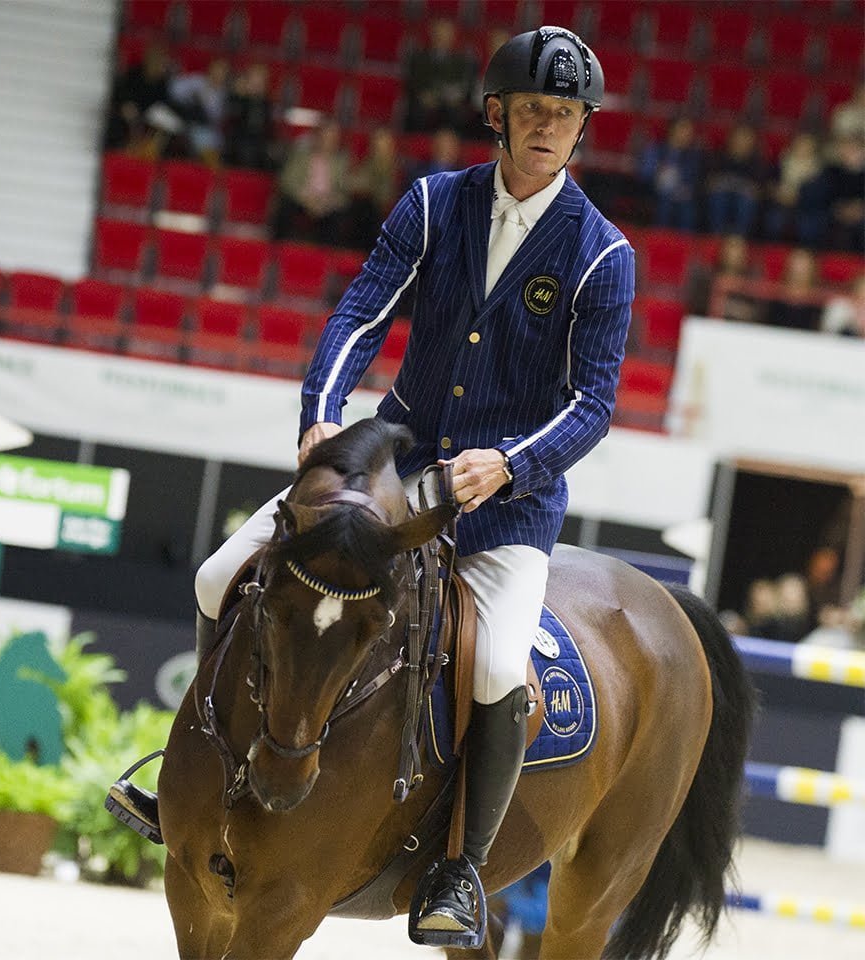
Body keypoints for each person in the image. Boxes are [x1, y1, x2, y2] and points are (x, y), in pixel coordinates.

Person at [108, 25, 633, 940]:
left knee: (499, 665)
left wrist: (512, 463)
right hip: (395, 465)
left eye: (565, 113)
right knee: (217, 573)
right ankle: (192, 774)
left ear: (581, 126)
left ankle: (460, 869)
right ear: (498, 114)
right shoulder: (435, 203)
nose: (549, 126)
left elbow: (593, 404)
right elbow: (363, 309)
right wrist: (323, 409)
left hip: (505, 507)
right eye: (534, 109)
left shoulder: (601, 253)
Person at [270, 120, 352, 243]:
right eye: (326, 136)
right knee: (285, 206)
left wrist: (328, 202)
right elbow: (287, 180)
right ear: (318, 136)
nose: (329, 141)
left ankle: (327, 252)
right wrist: (305, 198)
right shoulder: (302, 155)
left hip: (328, 203)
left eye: (333, 137)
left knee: (339, 216)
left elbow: (344, 190)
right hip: (302, 197)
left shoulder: (342, 161)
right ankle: (279, 247)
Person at [403, 18, 478, 135]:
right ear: (432, 33)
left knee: (458, 113)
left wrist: (456, 97)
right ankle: (417, 140)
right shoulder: (419, 58)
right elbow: (412, 82)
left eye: (446, 33)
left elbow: (466, 85)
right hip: (425, 100)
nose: (442, 37)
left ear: (452, 36)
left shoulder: (461, 60)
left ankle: (451, 140)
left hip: (451, 102)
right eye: (439, 32)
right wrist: (423, 95)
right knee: (416, 111)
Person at [638, 117, 703, 231]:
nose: (686, 135)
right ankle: (658, 235)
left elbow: (694, 179)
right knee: (665, 201)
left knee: (687, 206)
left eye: (689, 132)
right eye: (683, 130)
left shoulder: (693, 156)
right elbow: (645, 173)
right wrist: (658, 173)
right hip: (657, 191)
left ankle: (684, 239)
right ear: (672, 131)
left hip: (682, 194)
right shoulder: (656, 149)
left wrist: (685, 189)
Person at [705, 124, 766, 236]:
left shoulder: (758, 161)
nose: (741, 142)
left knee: (745, 201)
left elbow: (758, 188)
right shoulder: (719, 155)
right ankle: (716, 234)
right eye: (739, 137)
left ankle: (738, 237)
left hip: (744, 198)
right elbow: (711, 180)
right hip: (722, 193)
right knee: (719, 197)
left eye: (746, 138)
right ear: (731, 139)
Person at [169, 57, 230, 166]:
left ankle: (214, 170)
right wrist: (191, 95)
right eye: (217, 69)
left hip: (207, 128)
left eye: (222, 71)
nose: (219, 74)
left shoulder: (224, 93)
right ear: (210, 69)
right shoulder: (197, 81)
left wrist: (205, 102)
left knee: (204, 136)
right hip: (184, 119)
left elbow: (216, 118)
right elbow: (174, 90)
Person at [684, 233, 759, 323]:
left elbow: (757, 311)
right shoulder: (706, 278)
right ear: (722, 251)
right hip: (707, 325)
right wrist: (732, 309)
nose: (735, 254)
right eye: (731, 248)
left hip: (741, 328)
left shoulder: (751, 281)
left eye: (739, 250)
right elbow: (696, 304)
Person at [762, 247, 822, 331]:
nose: (799, 269)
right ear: (789, 265)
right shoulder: (775, 295)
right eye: (797, 263)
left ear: (812, 268)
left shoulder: (817, 300)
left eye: (803, 264)